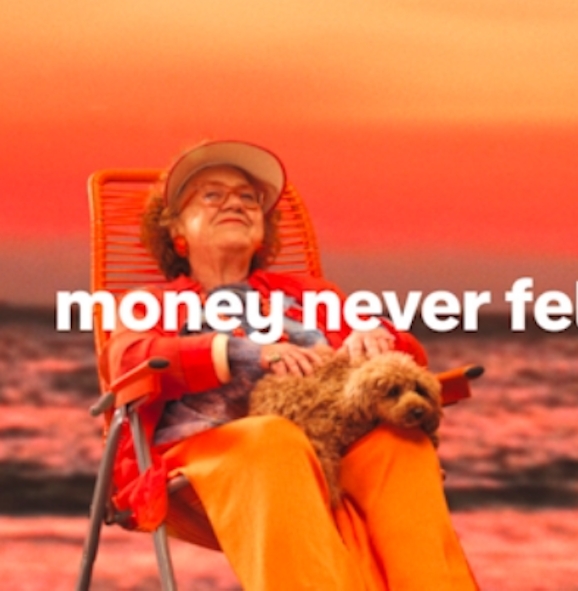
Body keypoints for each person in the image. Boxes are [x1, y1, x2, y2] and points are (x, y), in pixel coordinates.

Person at [103, 140, 478, 590]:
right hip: (205, 460)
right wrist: (244, 352)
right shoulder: (153, 302)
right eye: (211, 195)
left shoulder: (311, 295)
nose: (235, 204)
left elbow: (410, 356)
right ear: (176, 231)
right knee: (273, 437)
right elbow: (126, 362)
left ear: (263, 231)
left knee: (400, 444)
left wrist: (376, 337)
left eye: (248, 198)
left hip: (327, 449)